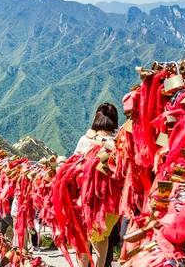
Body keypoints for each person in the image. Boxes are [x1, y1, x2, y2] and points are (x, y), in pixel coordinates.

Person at [75, 103, 119, 267]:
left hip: (86, 197)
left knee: (84, 237)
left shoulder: (85, 140)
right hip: (111, 200)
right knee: (102, 235)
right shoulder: (118, 143)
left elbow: (75, 165)